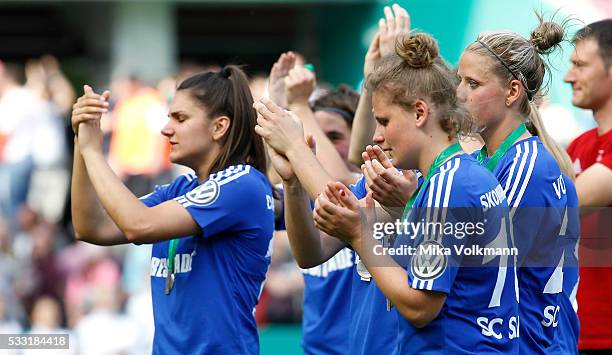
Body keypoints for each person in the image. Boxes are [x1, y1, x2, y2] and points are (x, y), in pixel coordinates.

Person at [313, 32, 518, 353]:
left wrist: (358, 235)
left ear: (420, 113)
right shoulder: (468, 175)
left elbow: (420, 308)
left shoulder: (447, 186)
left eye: (383, 121)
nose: (377, 135)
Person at [70, 66, 275, 354]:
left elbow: (138, 225)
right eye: (169, 117)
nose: (166, 129)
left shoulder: (242, 184)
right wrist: (83, 141)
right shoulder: (181, 189)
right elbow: (90, 227)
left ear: (219, 127)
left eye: (180, 118)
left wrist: (94, 151)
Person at [456, 18, 578, 353]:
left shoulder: (529, 165)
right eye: (459, 81)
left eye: (473, 83)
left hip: (533, 344)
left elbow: (483, 261)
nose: (459, 93)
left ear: (512, 91)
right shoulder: (483, 161)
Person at [563, 19, 612, 353]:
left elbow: (552, 209)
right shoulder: (579, 145)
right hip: (574, 334)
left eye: (580, 65)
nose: (568, 76)